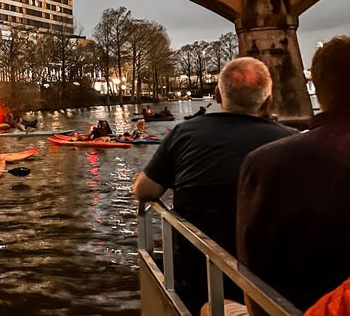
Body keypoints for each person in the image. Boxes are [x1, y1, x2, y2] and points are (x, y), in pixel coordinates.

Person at [132, 57, 293, 313]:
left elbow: (145, 191)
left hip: (194, 276)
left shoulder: (184, 133)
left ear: (218, 95)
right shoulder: (291, 141)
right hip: (273, 287)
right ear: (268, 101)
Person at [237, 37, 350, 314]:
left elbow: (253, 273)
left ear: (320, 88)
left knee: (212, 306)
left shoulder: (263, 162)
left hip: (291, 308)